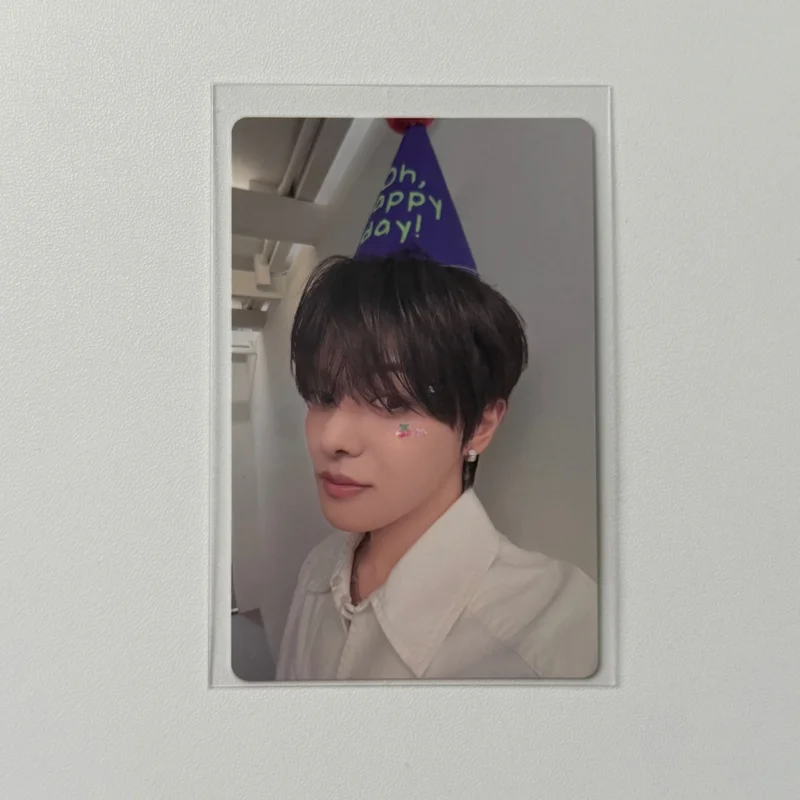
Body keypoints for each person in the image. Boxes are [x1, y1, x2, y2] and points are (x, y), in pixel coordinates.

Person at [275, 252, 598, 681]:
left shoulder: (557, 642)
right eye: (322, 396)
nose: (331, 438)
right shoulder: (319, 570)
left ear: (480, 427)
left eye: (390, 401)